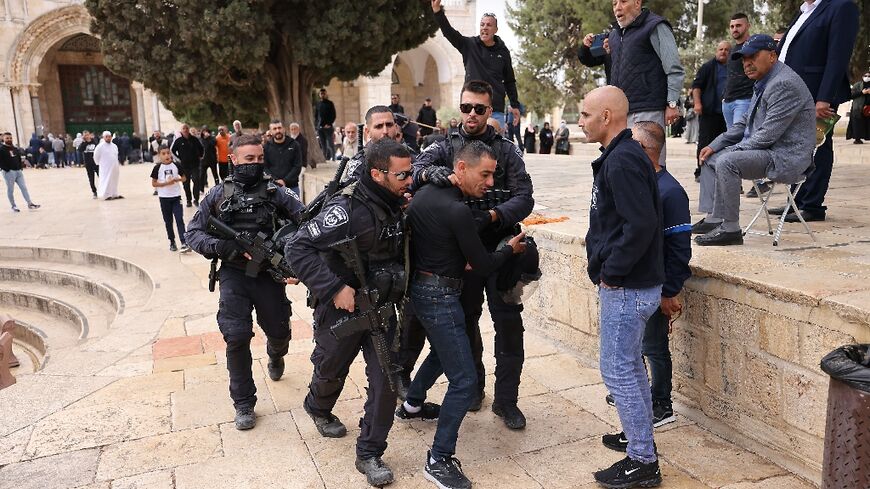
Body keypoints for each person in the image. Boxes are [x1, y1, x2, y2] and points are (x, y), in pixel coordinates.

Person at [408, 79, 535, 429]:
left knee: (509, 326)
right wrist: (439, 175)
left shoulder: (506, 151)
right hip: (460, 255)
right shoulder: (444, 146)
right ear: (460, 107)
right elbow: (416, 173)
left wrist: (493, 216)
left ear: (489, 109)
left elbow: (525, 197)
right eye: (466, 107)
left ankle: (507, 401)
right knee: (465, 324)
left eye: (480, 108)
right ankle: (475, 389)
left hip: (500, 248)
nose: (472, 115)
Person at [287, 139, 412, 488]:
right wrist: (333, 288)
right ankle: (318, 406)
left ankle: (369, 451)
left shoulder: (397, 203)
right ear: (378, 173)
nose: (409, 180)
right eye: (402, 174)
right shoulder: (346, 208)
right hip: (341, 310)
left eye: (410, 172)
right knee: (330, 368)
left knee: (386, 381)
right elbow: (297, 246)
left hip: (381, 309)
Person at [404, 140, 527, 489]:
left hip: (423, 289)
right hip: (440, 295)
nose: (489, 183)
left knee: (444, 354)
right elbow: (485, 264)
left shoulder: (426, 193)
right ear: (460, 168)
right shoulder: (457, 210)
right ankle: (438, 459)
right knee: (464, 381)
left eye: (492, 175)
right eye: (484, 174)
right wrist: (508, 248)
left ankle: (412, 405)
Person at [185, 134, 304, 431]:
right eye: (248, 159)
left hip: (268, 274)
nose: (254, 164)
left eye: (259, 158)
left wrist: (294, 258)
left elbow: (307, 221)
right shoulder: (217, 195)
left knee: (278, 330)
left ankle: (277, 354)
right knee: (236, 335)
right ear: (233, 159)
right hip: (235, 273)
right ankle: (244, 403)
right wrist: (220, 247)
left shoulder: (278, 193)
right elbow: (193, 233)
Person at [579, 85, 664, 488]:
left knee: (618, 372)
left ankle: (642, 461)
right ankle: (639, 440)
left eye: (585, 114)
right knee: (629, 368)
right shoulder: (622, 155)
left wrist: (612, 271)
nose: (580, 121)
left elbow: (641, 225)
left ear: (607, 117)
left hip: (627, 287)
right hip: (632, 284)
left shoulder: (623, 161)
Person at [602, 121, 690, 438]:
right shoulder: (643, 182)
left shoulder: (671, 191)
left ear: (643, 149)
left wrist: (669, 291)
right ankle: (640, 405)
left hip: (654, 284)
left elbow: (679, 248)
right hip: (636, 282)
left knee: (655, 348)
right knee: (637, 350)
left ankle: (661, 405)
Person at [693, 35, 816, 246]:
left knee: (727, 161)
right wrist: (715, 145)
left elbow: (767, 135)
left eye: (753, 57)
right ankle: (716, 218)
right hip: (770, 149)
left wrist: (732, 150)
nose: (747, 63)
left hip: (785, 156)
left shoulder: (784, 84)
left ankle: (730, 228)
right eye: (743, 59)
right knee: (711, 157)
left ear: (772, 56)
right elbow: (743, 124)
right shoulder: (764, 81)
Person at [776, 0, 859, 223]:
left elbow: (837, 57)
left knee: (817, 147)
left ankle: (811, 205)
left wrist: (824, 98)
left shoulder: (840, 7)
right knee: (796, 147)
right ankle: (795, 201)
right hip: (792, 93)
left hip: (816, 94)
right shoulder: (803, 11)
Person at [579, 0, 685, 165]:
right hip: (620, 115)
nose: (618, 7)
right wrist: (587, 48)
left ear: (637, 3)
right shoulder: (614, 35)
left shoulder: (656, 26)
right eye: (614, 4)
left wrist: (672, 103)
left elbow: (674, 68)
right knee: (622, 167)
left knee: (650, 167)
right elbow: (592, 60)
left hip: (647, 109)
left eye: (623, 1)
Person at [431, 0, 521, 130]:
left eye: (489, 25)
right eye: (482, 24)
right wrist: (437, 11)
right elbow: (448, 32)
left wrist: (515, 104)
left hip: (494, 109)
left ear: (495, 29)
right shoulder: (469, 45)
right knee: (471, 148)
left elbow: (509, 81)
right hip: (471, 108)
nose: (485, 27)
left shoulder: (503, 52)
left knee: (493, 144)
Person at [691, 41, 730, 175]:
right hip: (709, 112)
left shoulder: (733, 67)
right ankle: (701, 170)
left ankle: (721, 170)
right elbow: (696, 86)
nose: (723, 52)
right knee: (705, 141)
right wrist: (697, 104)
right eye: (720, 49)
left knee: (724, 143)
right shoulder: (707, 67)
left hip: (726, 114)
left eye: (726, 50)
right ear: (716, 51)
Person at [151, 144, 190, 253]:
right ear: (159, 155)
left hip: (176, 197)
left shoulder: (176, 165)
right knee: (168, 221)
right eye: (163, 154)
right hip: (164, 198)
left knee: (179, 219)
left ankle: (184, 242)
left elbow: (184, 178)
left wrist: (177, 180)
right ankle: (172, 241)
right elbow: (154, 183)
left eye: (168, 153)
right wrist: (165, 183)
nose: (167, 155)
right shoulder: (157, 167)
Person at [1, 132, 40, 212]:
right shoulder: (1, 149)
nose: (9, 139)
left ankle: (30, 203)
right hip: (9, 172)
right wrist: (7, 169)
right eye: (7, 138)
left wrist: (20, 167)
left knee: (24, 187)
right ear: (3, 139)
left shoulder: (14, 148)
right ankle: (13, 206)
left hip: (18, 171)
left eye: (10, 138)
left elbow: (18, 157)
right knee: (10, 190)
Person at [263, 119, 304, 196]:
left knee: (295, 208)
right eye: (274, 129)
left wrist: (285, 181)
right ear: (271, 131)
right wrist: (276, 180)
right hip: (273, 187)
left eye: (279, 128)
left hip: (292, 187)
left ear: (284, 129)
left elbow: (297, 166)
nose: (278, 130)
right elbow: (265, 167)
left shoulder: (294, 145)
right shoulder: (266, 147)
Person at [170, 124, 205, 207]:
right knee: (186, 183)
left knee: (196, 181)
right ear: (181, 130)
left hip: (195, 165)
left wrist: (200, 156)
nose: (185, 130)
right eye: (183, 128)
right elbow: (173, 151)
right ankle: (188, 200)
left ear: (188, 129)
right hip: (184, 166)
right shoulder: (178, 141)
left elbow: (201, 148)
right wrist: (178, 159)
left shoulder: (194, 139)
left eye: (186, 128)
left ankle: (196, 199)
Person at [95, 131, 122, 200]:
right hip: (105, 167)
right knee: (106, 180)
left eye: (109, 136)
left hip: (114, 167)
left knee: (114, 180)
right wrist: (99, 163)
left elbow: (116, 155)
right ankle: (106, 195)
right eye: (106, 137)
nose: (108, 138)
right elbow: (96, 156)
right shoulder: (100, 146)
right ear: (103, 137)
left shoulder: (114, 146)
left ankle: (114, 194)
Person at [847, 73, 870, 144]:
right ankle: (857, 139)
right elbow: (851, 95)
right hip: (858, 108)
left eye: (869, 76)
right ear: (862, 77)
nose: (867, 77)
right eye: (865, 76)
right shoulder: (857, 85)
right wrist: (862, 92)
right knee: (857, 124)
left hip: (868, 107)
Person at [316, 88, 337, 160]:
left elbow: (333, 115)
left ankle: (334, 157)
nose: (322, 95)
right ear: (319, 95)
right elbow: (316, 116)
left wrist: (329, 124)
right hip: (320, 127)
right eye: (321, 94)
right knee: (322, 144)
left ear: (326, 94)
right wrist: (317, 125)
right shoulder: (318, 104)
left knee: (330, 143)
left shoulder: (330, 103)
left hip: (328, 127)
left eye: (324, 94)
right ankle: (324, 158)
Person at [78, 131, 99, 198]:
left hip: (96, 162)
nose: (86, 136)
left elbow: (98, 149)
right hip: (88, 163)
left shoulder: (94, 141)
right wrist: (84, 142)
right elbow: (79, 150)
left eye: (87, 135)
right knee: (91, 178)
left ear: (90, 135)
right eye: (85, 135)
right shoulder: (83, 144)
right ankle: (94, 192)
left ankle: (104, 189)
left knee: (101, 176)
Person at [199, 127, 219, 191]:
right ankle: (201, 189)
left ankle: (218, 187)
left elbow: (214, 143)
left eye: (206, 131)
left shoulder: (212, 138)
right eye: (204, 131)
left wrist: (209, 137)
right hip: (203, 160)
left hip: (212, 160)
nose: (205, 133)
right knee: (202, 175)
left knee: (215, 174)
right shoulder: (200, 139)